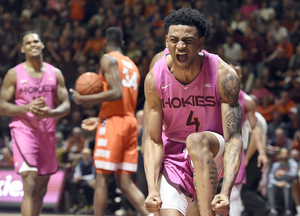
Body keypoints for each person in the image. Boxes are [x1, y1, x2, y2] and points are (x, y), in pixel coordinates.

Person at [143, 8, 243, 216]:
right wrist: (152, 189)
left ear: (200, 43)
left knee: (196, 141)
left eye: (188, 40)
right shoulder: (154, 79)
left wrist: (225, 192)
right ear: (166, 42)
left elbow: (233, 137)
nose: (180, 46)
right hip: (174, 156)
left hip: (212, 147)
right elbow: (153, 140)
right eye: (174, 39)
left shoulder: (224, 74)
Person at [69, 27, 150, 216]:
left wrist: (82, 99)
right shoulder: (132, 65)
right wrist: (99, 118)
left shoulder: (107, 58)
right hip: (129, 122)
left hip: (114, 124)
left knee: (102, 179)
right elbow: (122, 100)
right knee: (125, 182)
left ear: (105, 43)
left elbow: (116, 93)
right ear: (122, 43)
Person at [0, 30, 70, 216]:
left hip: (47, 132)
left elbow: (66, 105)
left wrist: (51, 112)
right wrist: (26, 108)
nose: (33, 45)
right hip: (23, 130)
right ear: (22, 48)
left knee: (40, 189)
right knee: (29, 182)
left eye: (35, 42)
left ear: (42, 45)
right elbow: (2, 106)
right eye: (28, 43)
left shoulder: (55, 73)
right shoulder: (13, 74)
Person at [268, 147, 299, 216]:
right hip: (278, 184)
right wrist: (277, 183)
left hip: (288, 183)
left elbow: (294, 174)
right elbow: (270, 177)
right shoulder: (276, 165)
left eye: (286, 153)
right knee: (270, 185)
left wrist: (284, 173)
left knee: (287, 186)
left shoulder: (292, 163)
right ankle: (272, 209)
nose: (284, 155)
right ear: (279, 155)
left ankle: (288, 211)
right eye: (282, 153)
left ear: (288, 155)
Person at [68, 148, 95, 214]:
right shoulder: (80, 162)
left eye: (87, 154)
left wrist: (82, 177)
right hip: (82, 180)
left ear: (90, 155)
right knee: (72, 183)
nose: (85, 156)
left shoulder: (93, 162)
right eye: (83, 154)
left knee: (86, 185)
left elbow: (94, 175)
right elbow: (77, 172)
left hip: (91, 180)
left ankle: (90, 204)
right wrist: (76, 177)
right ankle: (75, 205)